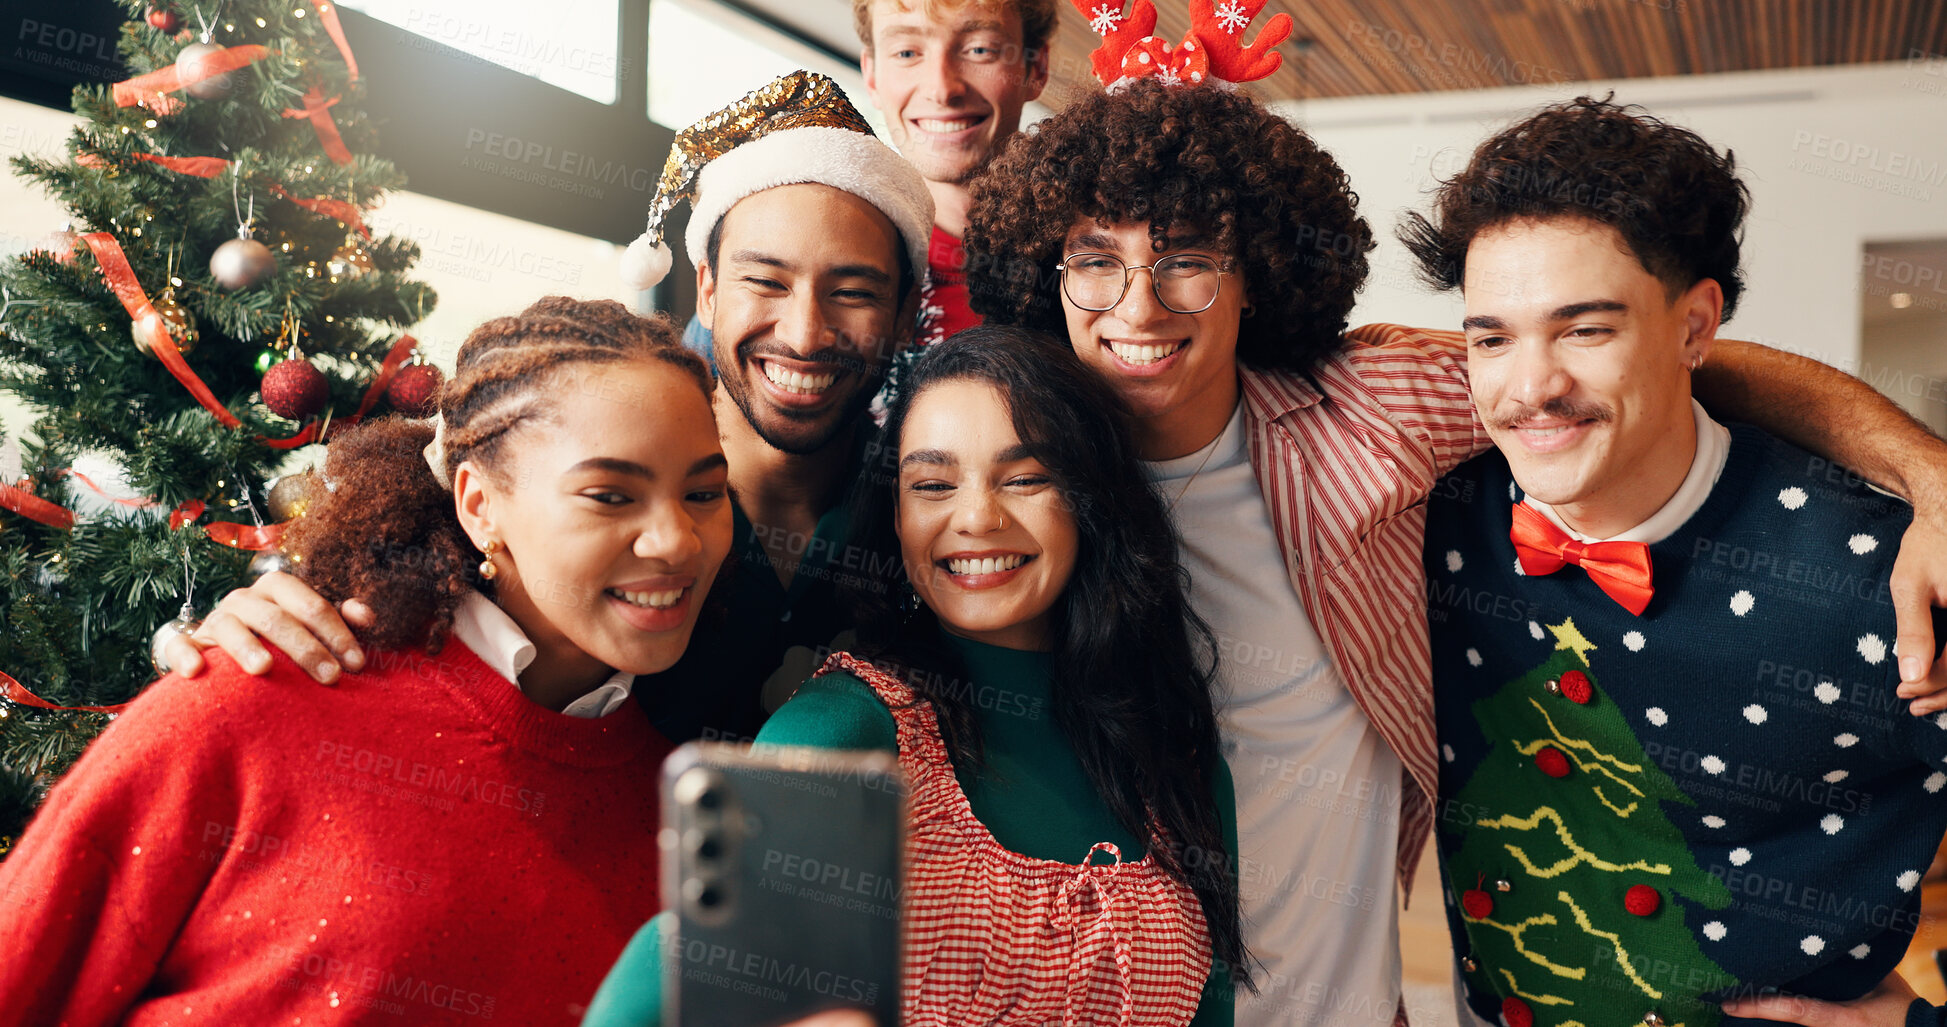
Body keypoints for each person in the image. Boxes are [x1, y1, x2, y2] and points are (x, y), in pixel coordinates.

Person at [960, 23, 1947, 1023]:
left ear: (1251, 271)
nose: (1139, 302)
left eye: (1185, 259)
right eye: (1095, 261)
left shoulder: (1370, 412)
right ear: (1050, 272)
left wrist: (1931, 472)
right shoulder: (997, 476)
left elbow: (1637, 375)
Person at [0, 298, 735, 1024]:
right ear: (480, 506)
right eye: (610, 495)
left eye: (704, 492)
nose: (677, 540)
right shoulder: (252, 696)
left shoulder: (691, 826)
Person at [164, 72, 932, 747]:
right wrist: (262, 616)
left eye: (854, 291)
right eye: (765, 281)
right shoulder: (513, 483)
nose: (803, 333)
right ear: (705, 287)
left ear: (904, 314)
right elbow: (354, 600)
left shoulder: (937, 512)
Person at [1409, 96, 1947, 1027]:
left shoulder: (1883, 573)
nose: (1528, 385)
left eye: (1585, 328)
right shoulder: (1428, 512)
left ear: (1696, 325)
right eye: (1490, 336)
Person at [585, 325, 1243, 1027]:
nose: (977, 517)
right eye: (931, 484)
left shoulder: (1178, 756)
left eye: (1024, 478)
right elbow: (670, 972)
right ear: (895, 515)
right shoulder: (847, 727)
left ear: (1090, 500)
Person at [679, 0, 1054, 372]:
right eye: (907, 52)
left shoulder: (1082, 266)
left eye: (980, 49)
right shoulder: (798, 254)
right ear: (872, 77)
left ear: (1036, 66)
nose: (942, 89)